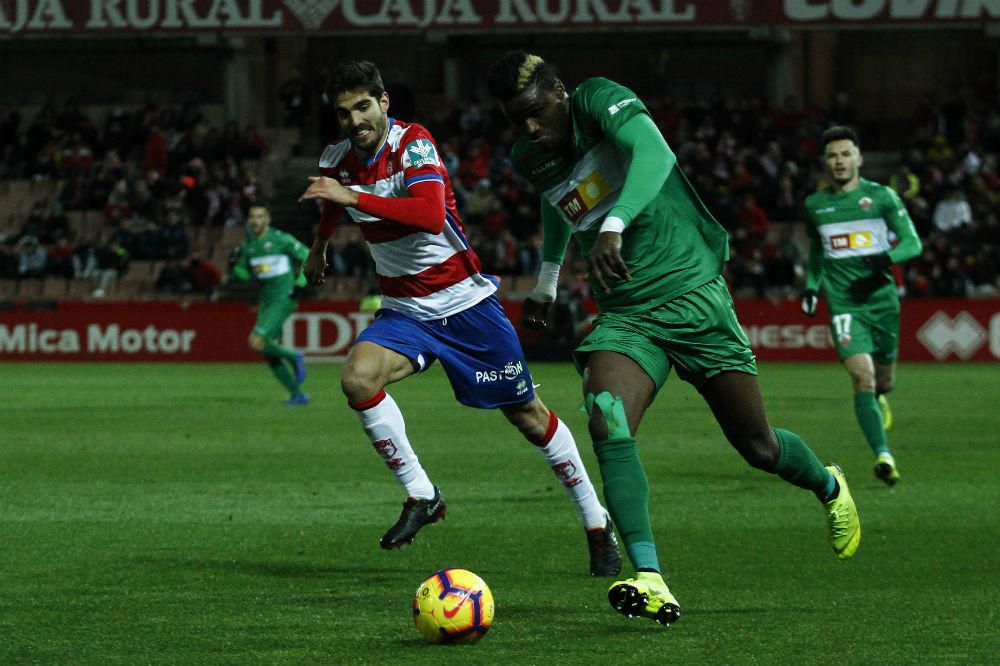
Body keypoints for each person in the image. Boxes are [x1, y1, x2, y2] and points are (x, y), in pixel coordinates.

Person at [487, 51, 860, 626]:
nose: (531, 128)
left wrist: (615, 225)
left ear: (559, 91)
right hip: (628, 314)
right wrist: (548, 281)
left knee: (757, 446)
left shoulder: (596, 99)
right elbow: (561, 201)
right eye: (518, 120)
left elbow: (655, 151)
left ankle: (828, 483)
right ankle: (649, 575)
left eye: (536, 112)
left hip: (693, 292)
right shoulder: (530, 154)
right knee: (606, 414)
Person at [298, 60, 621, 576]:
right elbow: (332, 200)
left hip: (465, 305)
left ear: (383, 104)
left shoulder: (414, 144)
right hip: (406, 310)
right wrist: (319, 246)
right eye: (343, 112)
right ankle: (422, 495)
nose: (354, 120)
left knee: (526, 415)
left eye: (363, 107)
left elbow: (428, 214)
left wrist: (350, 197)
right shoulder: (337, 160)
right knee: (358, 378)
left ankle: (596, 522)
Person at [802, 126, 923, 485]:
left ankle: (880, 399)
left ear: (859, 158)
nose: (838, 162)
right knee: (862, 377)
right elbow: (817, 251)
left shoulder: (882, 197)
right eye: (831, 156)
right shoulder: (815, 205)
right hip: (843, 304)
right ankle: (884, 455)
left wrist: (882, 260)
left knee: (884, 381)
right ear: (826, 162)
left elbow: (913, 244)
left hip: (882, 302)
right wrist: (811, 287)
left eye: (844, 154)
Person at [229, 204, 309, 405]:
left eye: (259, 216)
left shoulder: (281, 240)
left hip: (284, 297)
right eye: (252, 217)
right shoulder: (248, 247)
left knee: (255, 342)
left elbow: (309, 256)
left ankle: (294, 357)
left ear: (268, 219)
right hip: (266, 300)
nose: (255, 221)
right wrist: (233, 266)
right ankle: (297, 394)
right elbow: (245, 275)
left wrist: (300, 284)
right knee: (264, 349)